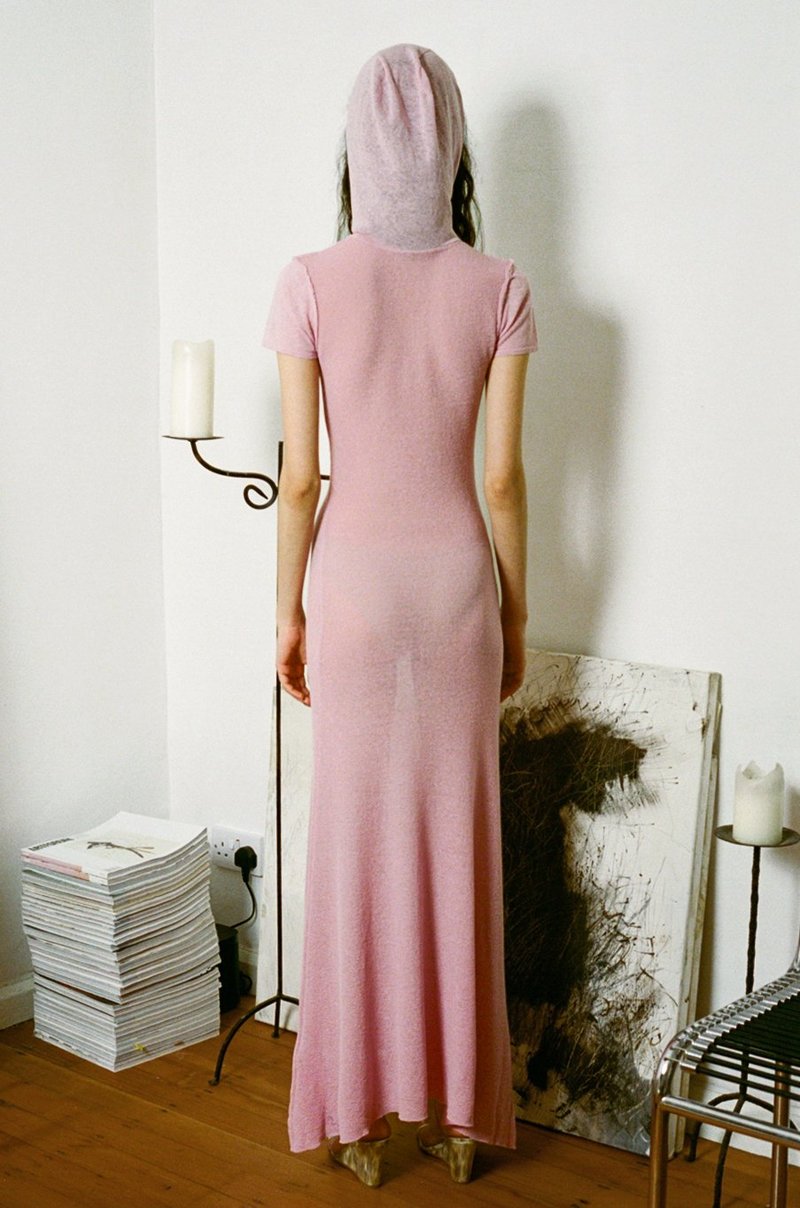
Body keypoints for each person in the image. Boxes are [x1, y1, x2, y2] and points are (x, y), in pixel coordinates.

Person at [263, 43, 536, 1188]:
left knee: (352, 851)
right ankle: (465, 1116)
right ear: (452, 150)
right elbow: (502, 480)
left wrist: (287, 614)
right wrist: (513, 617)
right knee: (459, 847)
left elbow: (298, 481)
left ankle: (359, 1121)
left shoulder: (309, 280)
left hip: (356, 595)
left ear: (354, 152)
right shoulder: (500, 285)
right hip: (458, 590)